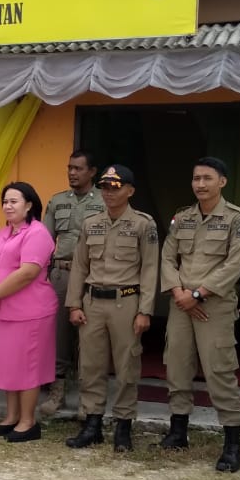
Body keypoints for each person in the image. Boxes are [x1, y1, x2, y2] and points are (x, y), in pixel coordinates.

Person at [159, 157, 240, 471]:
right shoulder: (182, 218)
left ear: (222, 182)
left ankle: (232, 443)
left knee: (219, 371)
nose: (200, 184)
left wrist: (198, 294)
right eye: (196, 178)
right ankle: (178, 430)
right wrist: (180, 294)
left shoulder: (237, 219)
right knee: (178, 365)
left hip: (214, 306)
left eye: (207, 178)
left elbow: (234, 265)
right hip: (181, 304)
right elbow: (168, 258)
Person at [63, 165, 159, 452]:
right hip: (92, 303)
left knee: (127, 365)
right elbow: (80, 266)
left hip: (126, 302)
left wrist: (145, 310)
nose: (108, 192)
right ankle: (92, 424)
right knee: (90, 366)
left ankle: (123, 426)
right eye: (104, 187)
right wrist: (74, 304)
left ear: (130, 190)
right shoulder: (91, 223)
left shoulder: (144, 224)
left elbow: (150, 269)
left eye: (115, 187)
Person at [0, 183, 57, 442]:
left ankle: (28, 421)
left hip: (31, 311)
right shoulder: (4, 233)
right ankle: (11, 417)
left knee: (27, 368)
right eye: (5, 201)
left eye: (14, 201)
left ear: (29, 205)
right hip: (5, 310)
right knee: (9, 366)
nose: (8, 206)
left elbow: (27, 273)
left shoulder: (37, 233)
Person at [42, 150, 104, 416]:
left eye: (78, 168)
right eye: (69, 168)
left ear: (92, 172)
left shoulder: (104, 201)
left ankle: (86, 398)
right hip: (62, 273)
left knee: (90, 335)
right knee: (60, 334)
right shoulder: (57, 202)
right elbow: (44, 241)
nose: (72, 173)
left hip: (94, 275)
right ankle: (57, 392)